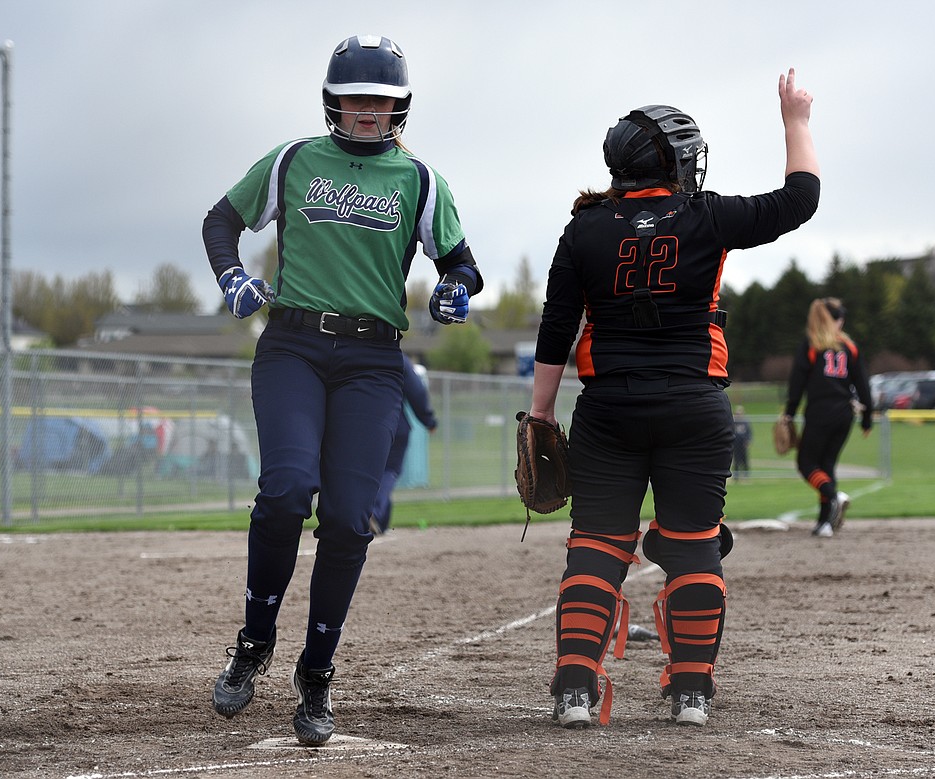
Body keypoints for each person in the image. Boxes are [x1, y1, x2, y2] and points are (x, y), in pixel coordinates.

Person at [200, 34, 482, 746]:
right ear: (332, 100)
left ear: (400, 109)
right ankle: (254, 640)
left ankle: (316, 670)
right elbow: (220, 220)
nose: (368, 111)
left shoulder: (420, 180)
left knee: (353, 516)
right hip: (293, 345)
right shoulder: (294, 160)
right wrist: (233, 278)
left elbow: (464, 265)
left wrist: (454, 290)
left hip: (372, 359)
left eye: (382, 101)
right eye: (356, 97)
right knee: (288, 489)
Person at [527, 69, 820, 729]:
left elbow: (555, 327)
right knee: (692, 544)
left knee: (597, 546)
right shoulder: (706, 215)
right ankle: (692, 692)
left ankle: (575, 690)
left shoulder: (584, 229)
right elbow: (800, 198)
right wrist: (796, 121)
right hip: (693, 407)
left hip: (608, 411)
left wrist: (542, 412)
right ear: (675, 161)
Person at [782, 298, 872, 538]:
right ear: (833, 320)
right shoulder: (848, 346)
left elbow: (797, 383)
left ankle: (833, 496)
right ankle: (825, 524)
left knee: (806, 464)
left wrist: (789, 411)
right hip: (844, 414)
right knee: (827, 465)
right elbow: (863, 384)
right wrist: (867, 418)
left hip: (820, 412)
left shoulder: (812, 345)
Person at [369, 352, 437, 536]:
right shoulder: (397, 357)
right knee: (388, 473)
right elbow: (416, 391)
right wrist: (429, 420)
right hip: (394, 425)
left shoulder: (352, 353)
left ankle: (379, 523)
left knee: (368, 473)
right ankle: (373, 513)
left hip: (357, 425)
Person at [731, 406, 753, 479]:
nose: (738, 415)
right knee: (736, 459)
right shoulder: (733, 422)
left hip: (743, 443)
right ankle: (736, 475)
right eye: (737, 413)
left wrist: (748, 441)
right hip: (736, 443)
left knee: (745, 459)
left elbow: (749, 432)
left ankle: (746, 475)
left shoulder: (745, 422)